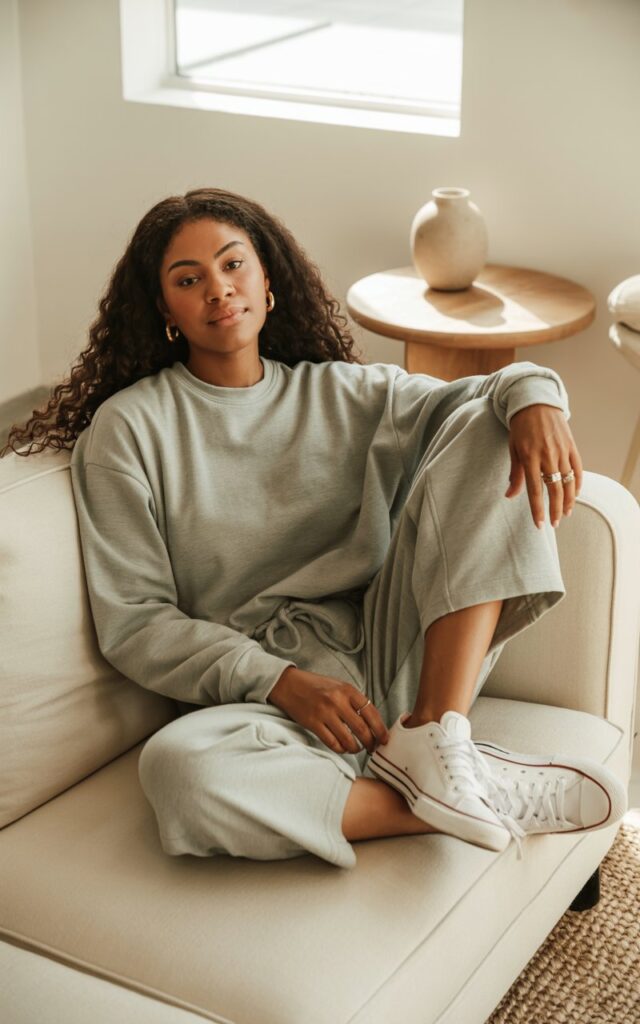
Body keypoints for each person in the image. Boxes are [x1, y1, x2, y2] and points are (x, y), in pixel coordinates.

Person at [1, 187, 626, 869]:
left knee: (487, 425)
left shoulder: (342, 393)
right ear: (165, 311)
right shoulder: (129, 429)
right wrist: (281, 681)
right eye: (189, 279)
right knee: (179, 773)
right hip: (268, 701)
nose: (218, 289)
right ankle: (456, 794)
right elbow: (137, 620)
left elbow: (478, 398)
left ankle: (434, 737)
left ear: (269, 281)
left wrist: (535, 398)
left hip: (400, 665)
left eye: (233, 264)